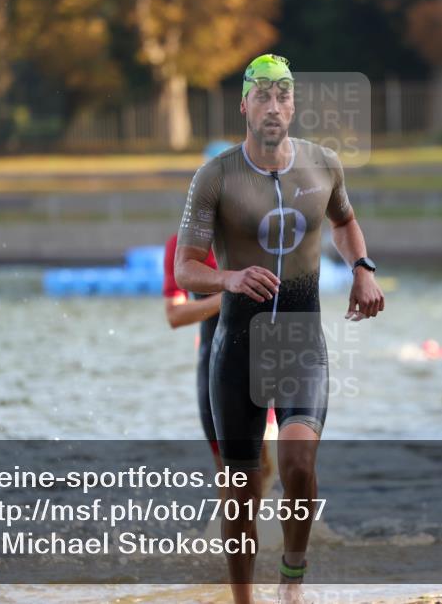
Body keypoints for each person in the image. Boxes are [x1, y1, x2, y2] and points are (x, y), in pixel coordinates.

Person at [174, 54, 384, 604]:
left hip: (299, 343)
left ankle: (292, 581)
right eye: (262, 95)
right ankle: (243, 599)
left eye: (283, 95)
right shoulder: (214, 176)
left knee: (296, 465)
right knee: (241, 489)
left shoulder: (323, 165)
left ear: (294, 105)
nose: (273, 105)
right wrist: (229, 277)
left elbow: (345, 222)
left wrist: (362, 269)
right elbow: (185, 268)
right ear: (243, 104)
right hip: (236, 348)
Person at [163, 232, 280, 478]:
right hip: (214, 362)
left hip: (263, 360)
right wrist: (229, 293)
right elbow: (175, 315)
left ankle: (290, 510)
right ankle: (232, 514)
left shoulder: (261, 234)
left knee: (265, 456)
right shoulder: (181, 244)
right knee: (227, 469)